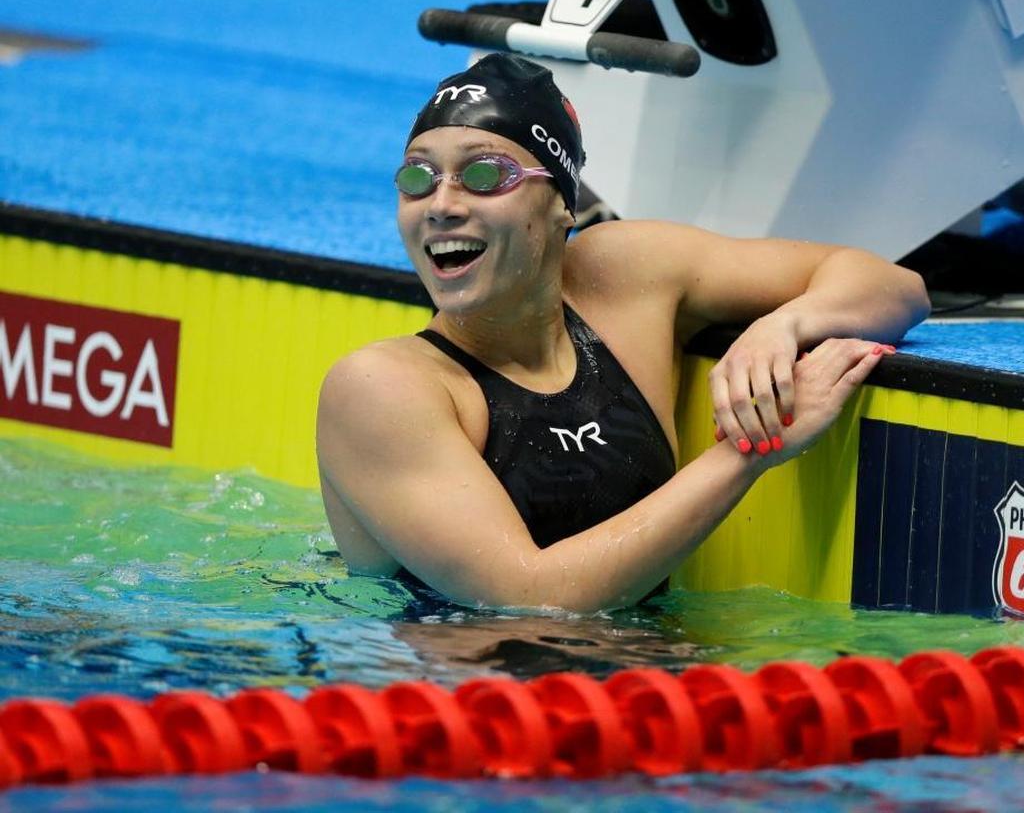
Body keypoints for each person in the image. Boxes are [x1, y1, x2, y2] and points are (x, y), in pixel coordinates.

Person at [317, 53, 930, 613]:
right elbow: (532, 598)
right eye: (417, 179)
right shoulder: (383, 389)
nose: (441, 204)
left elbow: (895, 287)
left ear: (561, 204)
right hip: (465, 712)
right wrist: (749, 451)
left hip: (638, 684)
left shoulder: (626, 278)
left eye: (482, 176)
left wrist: (783, 325)